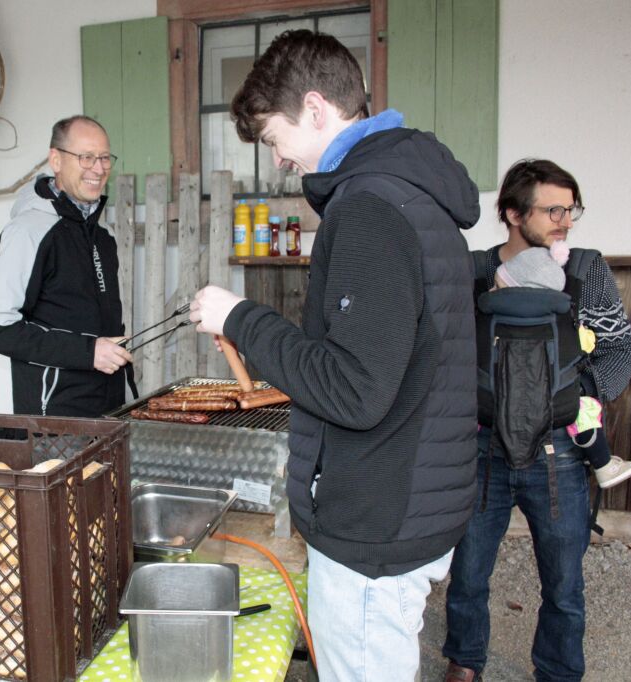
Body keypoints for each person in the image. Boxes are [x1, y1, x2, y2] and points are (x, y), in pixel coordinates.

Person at [188, 30, 480, 680]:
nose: (279, 160)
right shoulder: (411, 193)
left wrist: (240, 318)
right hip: (413, 500)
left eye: (273, 139)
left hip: (378, 524)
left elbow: (354, 389)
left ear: (316, 109)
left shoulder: (370, 208)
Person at [444, 159, 631, 682]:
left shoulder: (584, 270)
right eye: (553, 209)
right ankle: (464, 663)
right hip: (482, 447)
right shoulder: (475, 271)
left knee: (564, 582)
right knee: (467, 573)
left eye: (570, 209)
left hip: (560, 451)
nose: (566, 221)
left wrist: (581, 396)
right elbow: (444, 352)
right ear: (512, 213)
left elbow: (621, 346)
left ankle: (557, 672)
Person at [0, 115, 131, 418]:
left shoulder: (103, 235)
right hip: (56, 421)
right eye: (86, 157)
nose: (99, 169)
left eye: (104, 158)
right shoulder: (27, 232)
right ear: (56, 160)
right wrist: (88, 353)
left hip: (110, 411)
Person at [491, 240, 631, 489]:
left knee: (582, 411)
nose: (492, 292)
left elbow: (619, 349)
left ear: (521, 293)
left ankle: (603, 464)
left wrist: (584, 387)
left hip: (518, 400)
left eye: (499, 286)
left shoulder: (500, 319)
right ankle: (603, 464)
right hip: (553, 394)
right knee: (583, 415)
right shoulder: (559, 322)